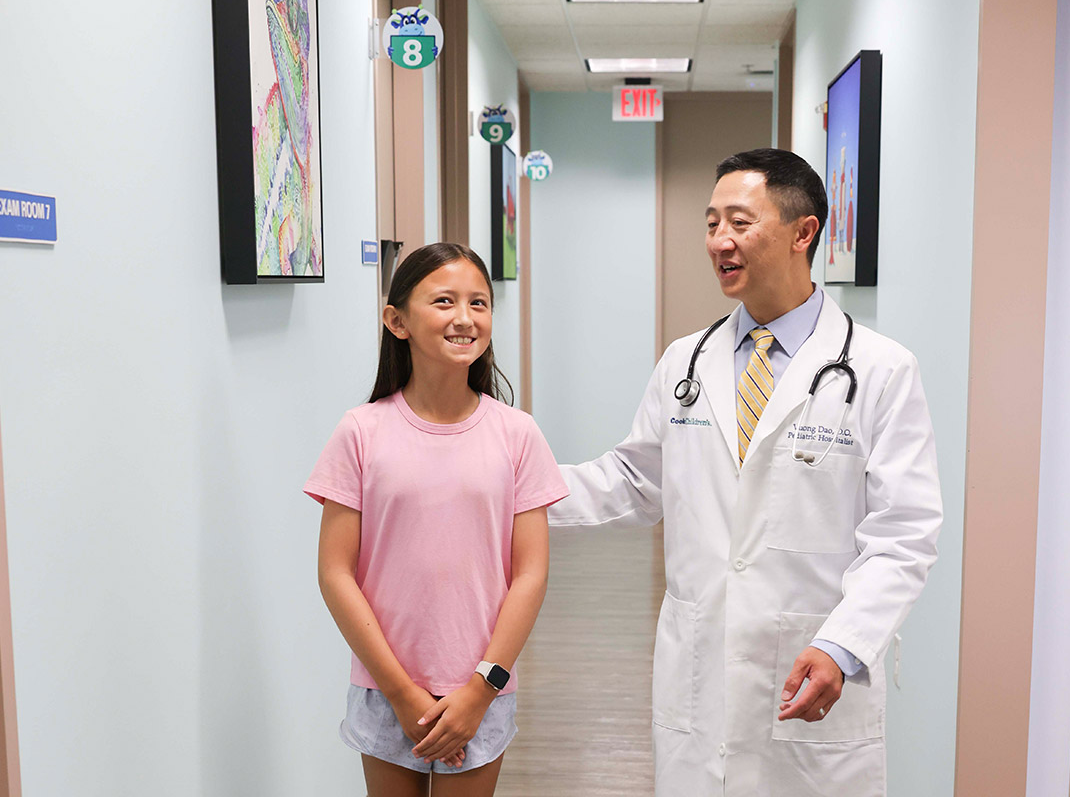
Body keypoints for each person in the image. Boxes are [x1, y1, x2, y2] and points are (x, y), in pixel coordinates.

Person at [549, 149, 941, 796]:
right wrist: (504, 488)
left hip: (811, 668)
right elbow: (633, 480)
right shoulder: (686, 362)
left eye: (738, 222)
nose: (719, 242)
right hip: (700, 675)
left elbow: (904, 533)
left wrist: (843, 645)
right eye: (711, 224)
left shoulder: (880, 370)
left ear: (803, 232)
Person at [305, 242, 568, 797]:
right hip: (385, 686)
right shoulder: (360, 432)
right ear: (396, 320)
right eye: (444, 301)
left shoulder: (517, 434)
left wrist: (480, 689)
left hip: (482, 686)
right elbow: (335, 573)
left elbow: (531, 575)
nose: (465, 318)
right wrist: (400, 692)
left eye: (479, 303)